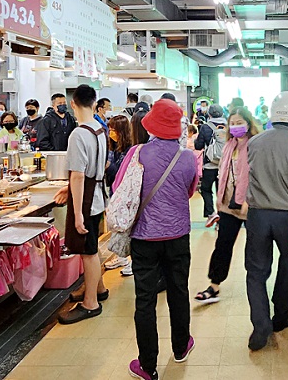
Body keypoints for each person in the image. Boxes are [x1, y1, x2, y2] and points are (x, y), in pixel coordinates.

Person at [111, 98, 199, 380]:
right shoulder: (187, 157)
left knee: (145, 300)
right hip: (177, 236)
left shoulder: (137, 153)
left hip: (144, 238)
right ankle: (181, 346)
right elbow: (189, 190)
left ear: (151, 126)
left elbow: (119, 188)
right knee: (178, 291)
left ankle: (148, 366)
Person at [244, 92, 288, 351]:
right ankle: (282, 314)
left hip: (258, 216)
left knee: (255, 272)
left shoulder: (254, 143)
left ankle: (260, 325)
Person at [53, 84, 109, 324]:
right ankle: (97, 288)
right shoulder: (100, 128)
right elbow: (100, 166)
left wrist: (76, 214)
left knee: (88, 252)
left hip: (85, 200)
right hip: (98, 194)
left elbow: (77, 175)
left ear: (73, 104)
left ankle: (90, 304)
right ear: (95, 104)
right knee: (91, 246)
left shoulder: (78, 134)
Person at [194, 107, 262, 305]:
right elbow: (223, 173)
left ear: (248, 123)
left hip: (251, 206)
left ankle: (256, 287)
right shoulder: (228, 145)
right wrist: (219, 198)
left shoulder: (255, 146)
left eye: (240, 122)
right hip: (227, 204)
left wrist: (249, 200)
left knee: (255, 249)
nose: (236, 126)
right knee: (222, 245)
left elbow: (257, 176)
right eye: (232, 123)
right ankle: (214, 285)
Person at [106, 114, 137, 275]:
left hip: (126, 194)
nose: (111, 133)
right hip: (115, 192)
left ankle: (132, 259)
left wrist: (107, 166)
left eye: (113, 130)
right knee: (117, 225)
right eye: (109, 129)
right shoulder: (113, 147)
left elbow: (119, 173)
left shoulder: (130, 149)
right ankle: (121, 256)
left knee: (128, 226)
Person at [193, 105, 228, 221]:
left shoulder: (205, 127)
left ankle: (211, 213)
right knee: (222, 191)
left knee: (206, 188)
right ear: (222, 114)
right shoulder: (229, 126)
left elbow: (198, 146)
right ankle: (222, 216)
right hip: (225, 165)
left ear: (209, 114)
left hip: (209, 165)